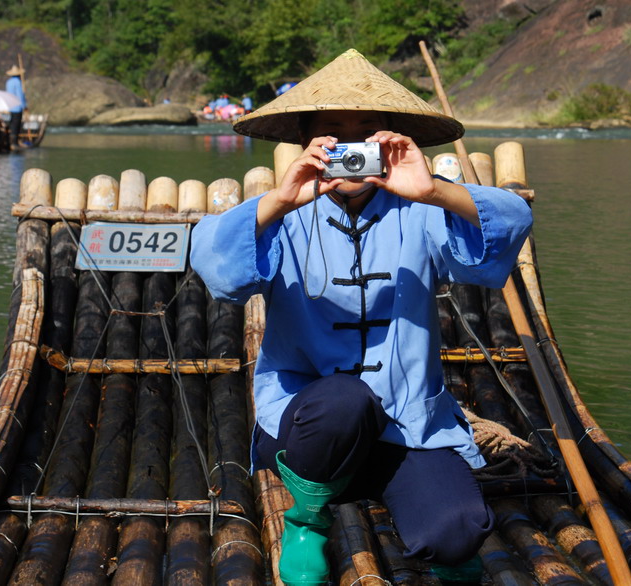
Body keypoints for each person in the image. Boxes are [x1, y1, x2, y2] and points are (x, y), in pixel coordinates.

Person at [190, 49, 532, 585]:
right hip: (309, 435)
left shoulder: (421, 212)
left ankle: (409, 497)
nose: (350, 146)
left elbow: (512, 225)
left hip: (410, 428)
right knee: (346, 401)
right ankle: (306, 518)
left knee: (457, 533)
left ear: (389, 141)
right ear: (309, 143)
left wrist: (432, 189)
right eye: (333, 132)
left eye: (366, 132)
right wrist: (280, 200)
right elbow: (217, 270)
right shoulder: (283, 212)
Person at [5, 64, 27, 147]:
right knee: (16, 124)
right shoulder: (18, 82)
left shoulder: (8, 82)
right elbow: (20, 96)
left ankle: (12, 141)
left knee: (12, 123)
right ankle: (14, 142)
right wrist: (24, 106)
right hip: (17, 107)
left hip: (10, 106)